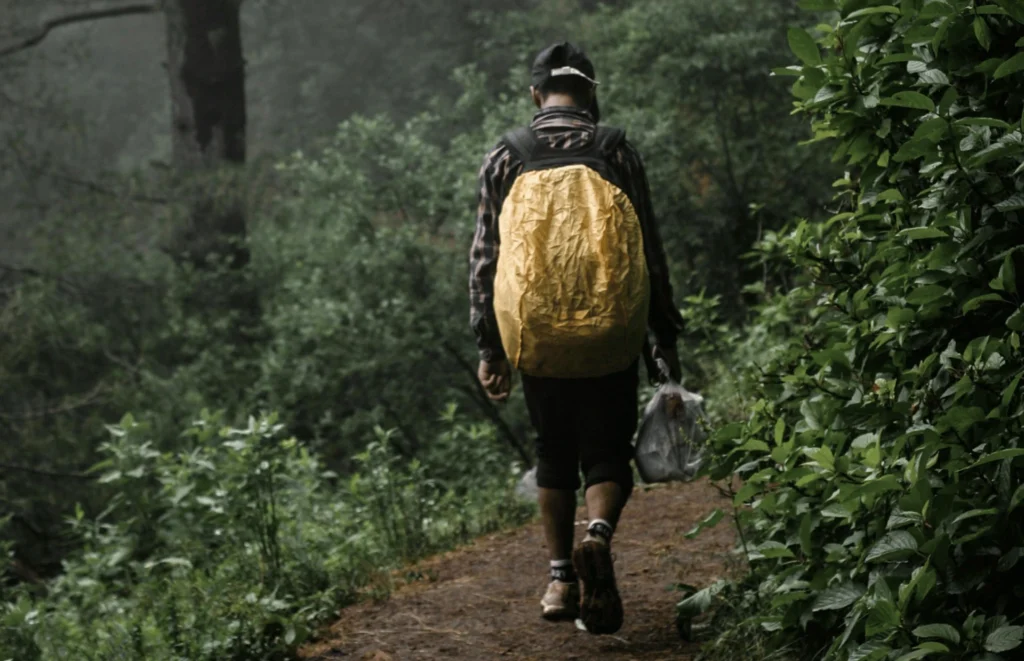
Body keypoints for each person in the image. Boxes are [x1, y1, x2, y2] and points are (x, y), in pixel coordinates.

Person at [468, 41, 683, 635]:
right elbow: (648, 249)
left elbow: (486, 258)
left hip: (537, 331)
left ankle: (561, 580)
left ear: (536, 95)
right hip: (612, 328)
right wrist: (663, 333)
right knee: (608, 451)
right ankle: (599, 535)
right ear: (592, 93)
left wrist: (490, 346)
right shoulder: (616, 149)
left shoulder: (506, 155)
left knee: (552, 450)